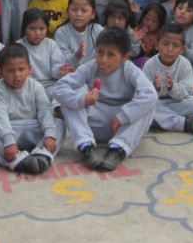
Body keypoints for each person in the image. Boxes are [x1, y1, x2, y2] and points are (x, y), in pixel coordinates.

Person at [55, 27, 159, 173]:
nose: (103, 60)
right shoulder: (90, 67)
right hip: (94, 121)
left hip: (121, 126)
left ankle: (118, 149)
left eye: (111, 55)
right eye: (100, 53)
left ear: (125, 57)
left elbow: (150, 95)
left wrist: (122, 117)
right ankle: (86, 147)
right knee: (69, 102)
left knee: (149, 105)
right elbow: (60, 87)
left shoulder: (130, 70)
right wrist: (83, 100)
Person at [0, 44, 63, 175]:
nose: (17, 75)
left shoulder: (35, 86)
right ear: (1, 71)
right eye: (10, 71)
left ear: (29, 69)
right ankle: (18, 161)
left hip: (33, 127)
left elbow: (44, 110)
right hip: (11, 130)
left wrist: (49, 134)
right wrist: (8, 142)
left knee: (59, 124)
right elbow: (0, 117)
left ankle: (42, 155)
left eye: (21, 69)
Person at [144, 23, 193, 134]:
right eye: (165, 44)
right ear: (156, 45)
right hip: (157, 102)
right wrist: (154, 88)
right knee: (144, 106)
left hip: (175, 102)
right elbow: (143, 94)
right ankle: (182, 124)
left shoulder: (185, 64)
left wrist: (173, 88)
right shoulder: (150, 65)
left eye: (175, 46)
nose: (169, 49)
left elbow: (189, 91)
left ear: (182, 49)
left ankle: (157, 121)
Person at [54, 0, 102, 69]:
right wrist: (76, 56)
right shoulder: (61, 33)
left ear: (93, 14)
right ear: (67, 11)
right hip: (71, 75)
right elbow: (61, 63)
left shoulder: (98, 31)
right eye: (74, 10)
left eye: (84, 11)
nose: (78, 14)